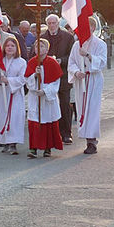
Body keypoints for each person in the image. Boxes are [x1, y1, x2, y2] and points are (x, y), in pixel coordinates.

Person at [68, 15, 107, 155]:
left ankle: (92, 141)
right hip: (81, 80)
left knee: (92, 110)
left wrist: (88, 55)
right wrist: (76, 71)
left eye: (88, 27)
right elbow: (71, 62)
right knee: (82, 109)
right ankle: (86, 137)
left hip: (93, 79)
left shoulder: (100, 44)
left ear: (93, 28)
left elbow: (102, 62)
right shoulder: (76, 44)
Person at [0, 36, 26, 155]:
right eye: (8, 45)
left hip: (14, 93)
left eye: (12, 46)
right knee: (2, 116)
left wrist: (8, 80)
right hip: (1, 93)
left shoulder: (21, 62)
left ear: (16, 48)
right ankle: (4, 141)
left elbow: (23, 78)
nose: (9, 48)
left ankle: (13, 143)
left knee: (14, 117)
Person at [25, 38, 64, 158]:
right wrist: (34, 76)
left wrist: (45, 91)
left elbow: (56, 82)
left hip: (47, 99)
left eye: (42, 46)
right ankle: (33, 148)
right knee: (35, 122)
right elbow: (27, 81)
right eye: (37, 46)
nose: (39, 49)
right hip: (35, 96)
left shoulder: (52, 63)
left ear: (47, 49)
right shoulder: (32, 62)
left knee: (47, 121)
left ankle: (48, 147)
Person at [44, 13, 76, 144]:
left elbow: (72, 56)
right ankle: (52, 133)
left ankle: (66, 133)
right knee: (50, 104)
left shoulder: (68, 37)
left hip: (63, 75)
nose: (52, 26)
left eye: (54, 23)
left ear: (58, 24)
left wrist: (60, 60)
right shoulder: (42, 38)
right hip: (48, 77)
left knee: (64, 104)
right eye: (49, 23)